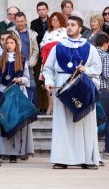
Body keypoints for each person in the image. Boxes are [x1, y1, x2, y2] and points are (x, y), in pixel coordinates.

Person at [44, 16, 101, 169]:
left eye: (73, 25)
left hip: (82, 87)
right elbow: (48, 69)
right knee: (63, 123)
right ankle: (62, 159)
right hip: (62, 85)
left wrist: (85, 69)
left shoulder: (90, 48)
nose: (69, 27)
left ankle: (87, 159)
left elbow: (97, 69)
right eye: (68, 25)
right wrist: (48, 82)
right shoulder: (58, 47)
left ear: (80, 28)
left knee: (84, 123)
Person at [0, 33, 34, 163]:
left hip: (17, 92)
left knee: (16, 122)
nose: (9, 45)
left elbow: (27, 79)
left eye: (12, 43)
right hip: (3, 92)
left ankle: (14, 153)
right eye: (7, 43)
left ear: (16, 45)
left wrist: (20, 79)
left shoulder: (22, 59)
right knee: (3, 122)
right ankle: (2, 152)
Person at [9, 12, 39, 111]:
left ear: (26, 21)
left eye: (22, 21)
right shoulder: (10, 32)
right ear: (14, 21)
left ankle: (33, 108)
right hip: (14, 63)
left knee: (32, 85)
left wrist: (31, 62)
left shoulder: (32, 34)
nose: (20, 23)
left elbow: (35, 50)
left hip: (28, 64)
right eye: (18, 22)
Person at [39, 12, 67, 115]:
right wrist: (46, 46)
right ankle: (50, 106)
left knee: (59, 82)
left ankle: (59, 107)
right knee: (48, 83)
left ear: (61, 21)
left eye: (57, 19)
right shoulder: (48, 32)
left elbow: (66, 43)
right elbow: (42, 43)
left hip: (60, 61)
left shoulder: (64, 31)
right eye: (53, 20)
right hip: (47, 60)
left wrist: (54, 45)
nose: (54, 21)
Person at [95, 33, 109, 160]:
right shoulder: (105, 56)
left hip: (93, 90)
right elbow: (106, 74)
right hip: (104, 91)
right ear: (105, 44)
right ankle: (107, 150)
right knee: (106, 120)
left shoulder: (92, 54)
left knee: (95, 119)